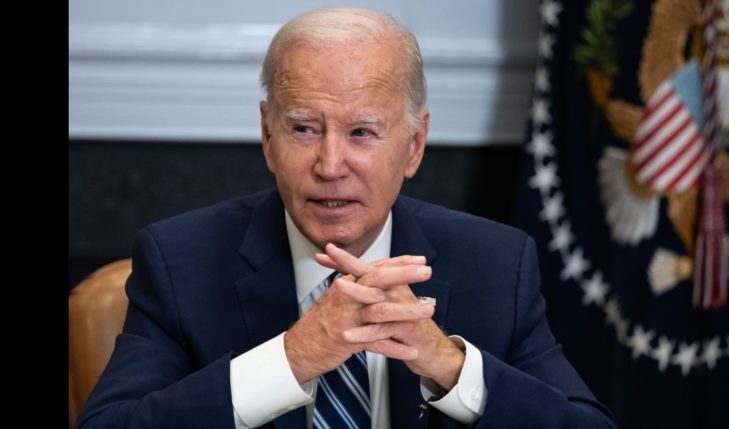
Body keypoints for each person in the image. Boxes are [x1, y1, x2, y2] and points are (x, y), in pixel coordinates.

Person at [76, 7, 616, 429]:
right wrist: (290, 358)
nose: (330, 166)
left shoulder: (496, 263)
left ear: (414, 145)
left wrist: (448, 365)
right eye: (304, 129)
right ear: (268, 136)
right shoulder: (179, 261)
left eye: (362, 133)